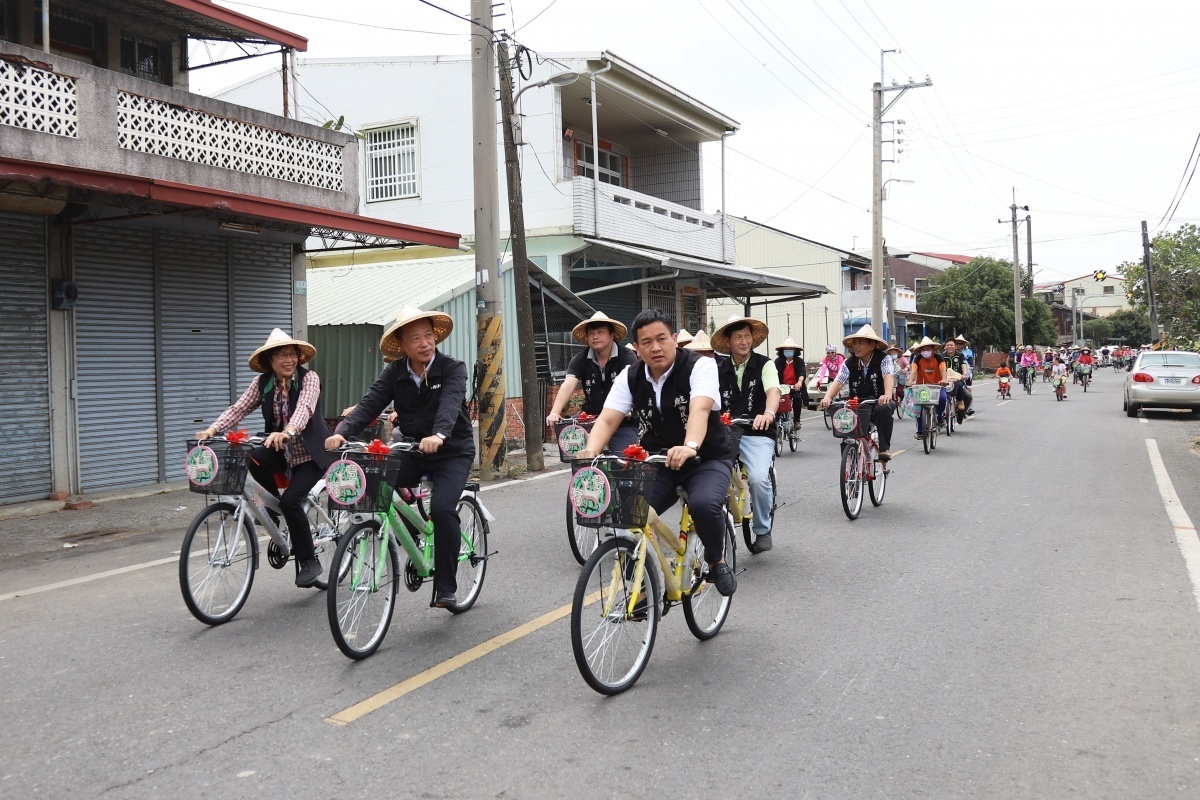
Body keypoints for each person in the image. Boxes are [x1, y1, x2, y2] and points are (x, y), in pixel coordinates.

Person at [577, 308, 736, 596]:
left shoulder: (700, 366)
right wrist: (590, 451)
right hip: (658, 459)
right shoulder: (630, 375)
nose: (655, 347)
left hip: (707, 457)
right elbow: (608, 418)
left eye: (662, 338)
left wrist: (689, 447)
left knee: (703, 504)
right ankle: (639, 588)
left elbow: (699, 409)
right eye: (646, 342)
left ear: (674, 339)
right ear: (636, 348)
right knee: (628, 513)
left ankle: (716, 560)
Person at [328, 306, 475, 610]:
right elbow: (369, 404)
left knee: (442, 506)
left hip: (451, 452)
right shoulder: (394, 373)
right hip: (412, 450)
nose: (424, 343)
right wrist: (343, 431)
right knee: (376, 482)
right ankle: (414, 534)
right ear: (403, 345)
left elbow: (450, 404)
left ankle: (446, 586)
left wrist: (440, 435)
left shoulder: (452, 368)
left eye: (428, 336)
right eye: (415, 338)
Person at [197, 329, 335, 588]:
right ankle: (274, 514)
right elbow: (239, 408)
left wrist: (288, 431)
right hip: (280, 449)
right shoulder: (263, 383)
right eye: (281, 355)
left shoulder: (309, 379)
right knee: (253, 459)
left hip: (311, 453)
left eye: (292, 355)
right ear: (270, 360)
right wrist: (212, 430)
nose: (288, 360)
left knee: (293, 501)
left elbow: (304, 408)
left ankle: (308, 561)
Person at [713, 316, 780, 553]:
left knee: (759, 477)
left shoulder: (765, 364)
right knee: (706, 479)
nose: (744, 341)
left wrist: (768, 413)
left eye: (747, 336)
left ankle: (762, 529)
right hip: (726, 432)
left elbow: (773, 390)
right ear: (728, 342)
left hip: (758, 431)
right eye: (738, 337)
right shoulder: (717, 368)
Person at [546, 311, 639, 452]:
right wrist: (555, 412)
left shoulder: (627, 356)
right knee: (577, 453)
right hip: (590, 419)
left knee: (623, 460)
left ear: (612, 335)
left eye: (600, 332)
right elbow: (568, 384)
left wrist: (629, 409)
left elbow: (631, 381)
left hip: (622, 420)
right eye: (591, 333)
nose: (595, 336)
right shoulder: (580, 359)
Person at [818, 325, 896, 461]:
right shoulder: (849, 362)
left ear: (872, 345)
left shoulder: (884, 359)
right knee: (845, 420)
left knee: (884, 408)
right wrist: (827, 397)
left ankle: (884, 448)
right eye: (855, 343)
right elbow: (838, 380)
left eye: (860, 343)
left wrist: (887, 394)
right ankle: (850, 462)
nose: (856, 346)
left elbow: (888, 376)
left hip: (878, 402)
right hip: (857, 404)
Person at [908, 336, 948, 437]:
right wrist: (910, 381)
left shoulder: (939, 358)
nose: (926, 351)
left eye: (928, 349)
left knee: (943, 398)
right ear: (920, 350)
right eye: (923, 349)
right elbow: (913, 371)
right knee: (918, 406)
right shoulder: (918, 359)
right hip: (922, 387)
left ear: (933, 350)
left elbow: (943, 370)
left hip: (937, 386)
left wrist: (944, 380)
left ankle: (939, 418)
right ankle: (920, 431)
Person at [774, 336, 809, 412]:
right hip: (782, 388)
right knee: (776, 398)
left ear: (795, 350)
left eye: (790, 349)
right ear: (782, 350)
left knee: (797, 398)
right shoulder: (778, 361)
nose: (788, 351)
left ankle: (797, 420)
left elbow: (802, 372)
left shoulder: (799, 361)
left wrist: (799, 382)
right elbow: (774, 373)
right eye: (786, 349)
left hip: (795, 388)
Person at [943, 338, 975, 418]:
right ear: (945, 347)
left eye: (951, 345)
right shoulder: (942, 356)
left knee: (968, 396)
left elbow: (964, 366)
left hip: (957, 379)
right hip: (945, 379)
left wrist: (964, 375)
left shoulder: (960, 355)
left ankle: (961, 407)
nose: (949, 347)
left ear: (955, 346)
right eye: (948, 345)